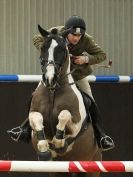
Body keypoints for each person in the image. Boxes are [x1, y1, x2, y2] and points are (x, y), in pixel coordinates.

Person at [8, 15, 114, 151]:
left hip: (77, 74)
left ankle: (101, 136)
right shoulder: (56, 32)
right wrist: (49, 50)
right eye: (73, 35)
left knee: (90, 100)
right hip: (55, 74)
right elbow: (37, 38)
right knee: (36, 97)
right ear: (66, 31)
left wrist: (85, 59)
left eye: (79, 35)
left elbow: (102, 55)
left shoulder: (86, 40)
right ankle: (24, 129)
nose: (76, 38)